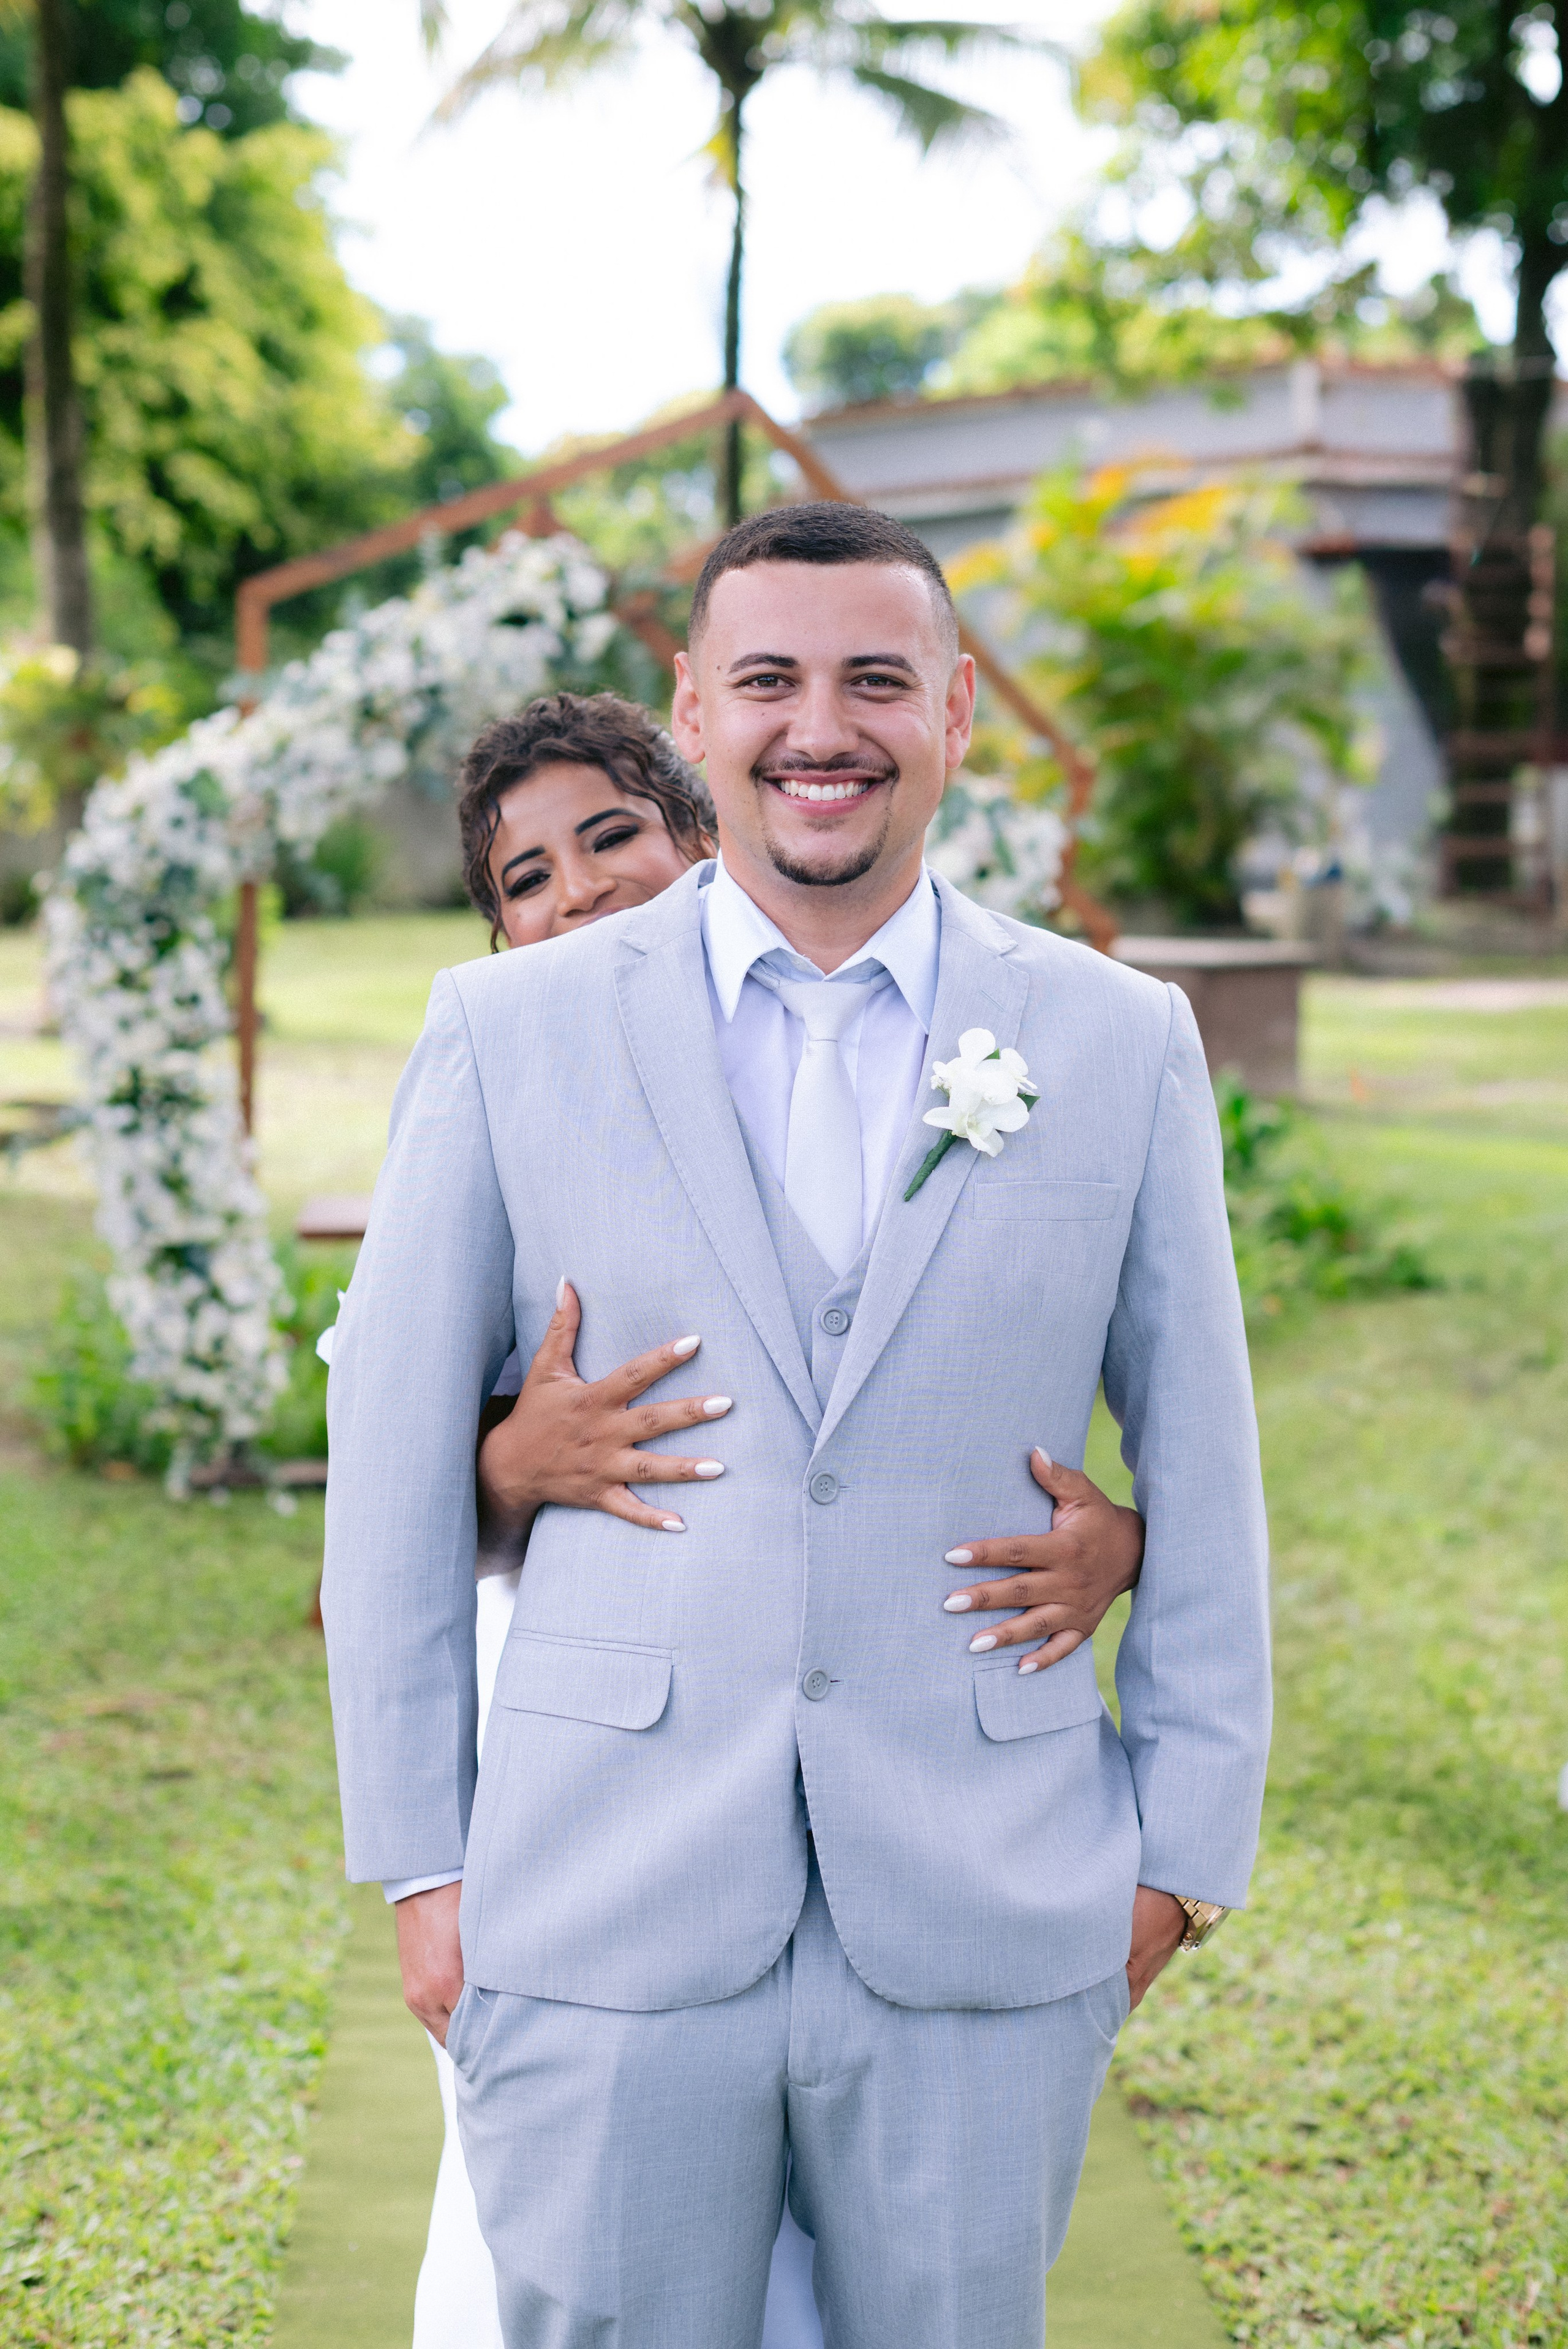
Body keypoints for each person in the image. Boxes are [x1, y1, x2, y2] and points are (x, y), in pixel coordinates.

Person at [323, 505, 1272, 2349]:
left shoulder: (1117, 1038)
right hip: (599, 1890)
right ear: (694, 707)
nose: (816, 725)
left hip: (990, 1893)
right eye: (766, 678)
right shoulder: (504, 1028)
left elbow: (1209, 1471)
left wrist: (1178, 1865)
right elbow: (387, 1485)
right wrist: (428, 1871)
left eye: (874, 679)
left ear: (956, 713)